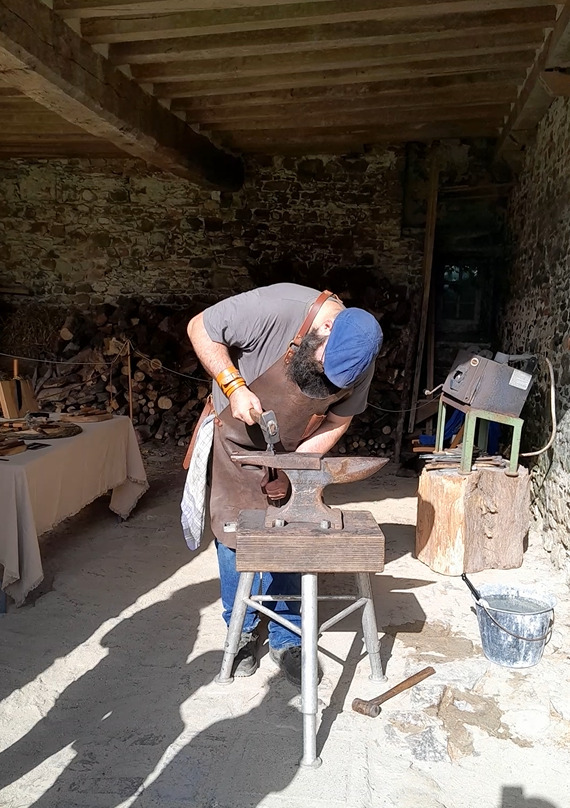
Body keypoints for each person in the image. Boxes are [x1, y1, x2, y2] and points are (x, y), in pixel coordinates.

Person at [186, 283, 383, 686]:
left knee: (292, 528)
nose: (325, 376)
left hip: (292, 447)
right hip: (234, 440)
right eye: (322, 364)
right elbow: (199, 327)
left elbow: (339, 419)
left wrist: (296, 467)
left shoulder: (359, 356)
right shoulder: (277, 307)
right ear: (324, 328)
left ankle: (287, 634)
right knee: (234, 534)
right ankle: (241, 628)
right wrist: (234, 386)